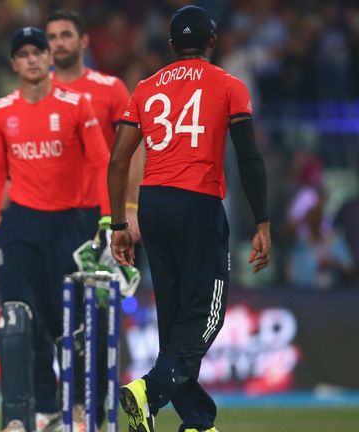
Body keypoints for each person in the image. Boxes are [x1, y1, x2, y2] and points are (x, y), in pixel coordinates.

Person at [107, 5, 271, 432]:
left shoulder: (146, 87)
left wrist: (118, 224)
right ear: (212, 42)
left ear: (172, 46)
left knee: (176, 315)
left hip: (153, 205)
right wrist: (263, 222)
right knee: (208, 315)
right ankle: (150, 390)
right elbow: (249, 158)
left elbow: (118, 159)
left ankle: (198, 421)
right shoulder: (229, 85)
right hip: (198, 203)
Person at [0, 27, 111, 432]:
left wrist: (107, 219)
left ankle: (82, 406)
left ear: (49, 59)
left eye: (39, 52)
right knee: (21, 317)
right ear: (14, 64)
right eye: (24, 54)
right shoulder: (3, 110)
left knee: (70, 323)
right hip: (20, 224)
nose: (33, 59)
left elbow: (101, 162)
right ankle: (40, 408)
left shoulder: (77, 105)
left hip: (70, 225)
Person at [45, 10, 145, 431]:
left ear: (84, 41)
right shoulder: (36, 91)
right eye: (52, 36)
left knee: (101, 313)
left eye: (67, 34)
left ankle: (98, 405)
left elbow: (133, 147)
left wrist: (131, 210)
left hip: (101, 219)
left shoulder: (109, 88)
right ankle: (64, 404)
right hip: (48, 218)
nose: (59, 43)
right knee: (54, 315)